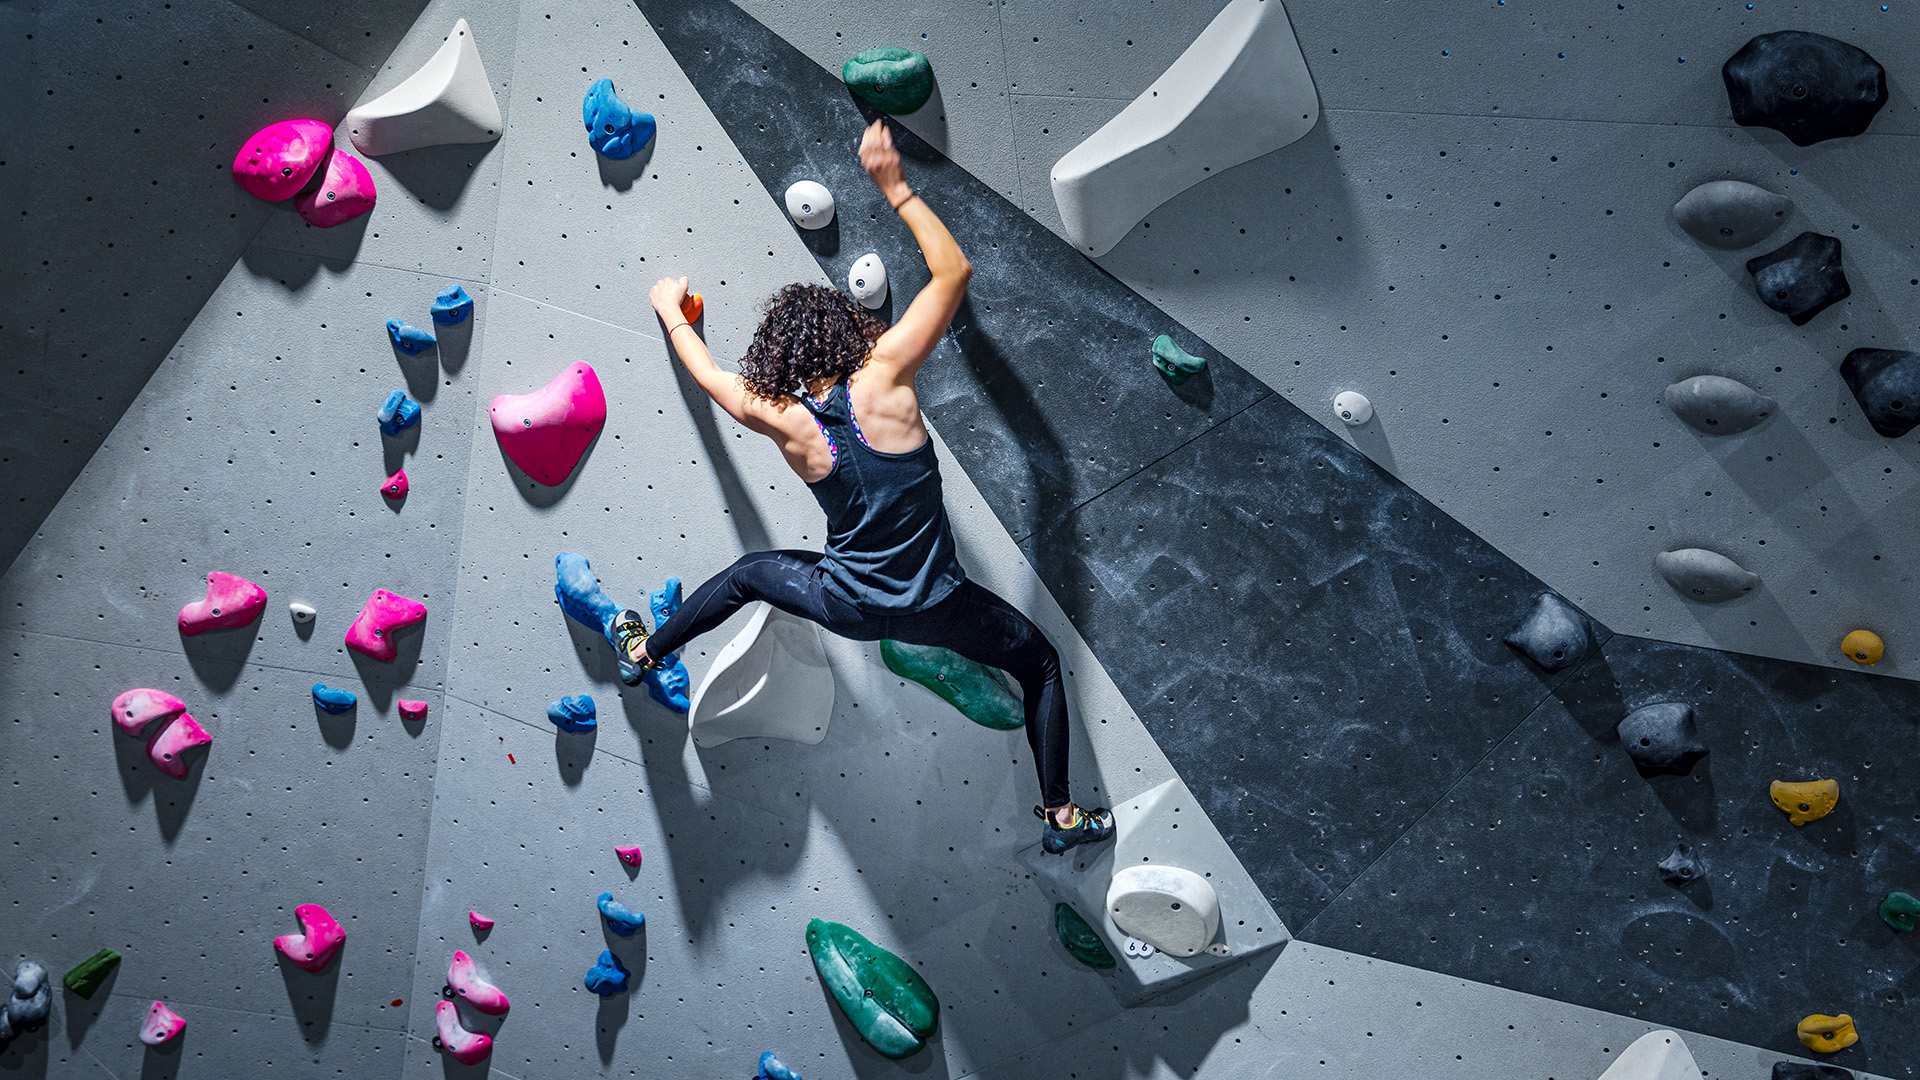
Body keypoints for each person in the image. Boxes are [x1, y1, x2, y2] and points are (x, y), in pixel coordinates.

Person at [617, 120, 1112, 855]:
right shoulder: (884, 375)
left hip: (847, 605)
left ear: (780, 357)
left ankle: (645, 654)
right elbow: (953, 274)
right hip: (937, 607)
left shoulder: (782, 417)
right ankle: (1061, 817)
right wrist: (896, 187)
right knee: (1037, 663)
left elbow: (715, 380)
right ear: (844, 329)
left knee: (751, 574)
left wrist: (672, 313)